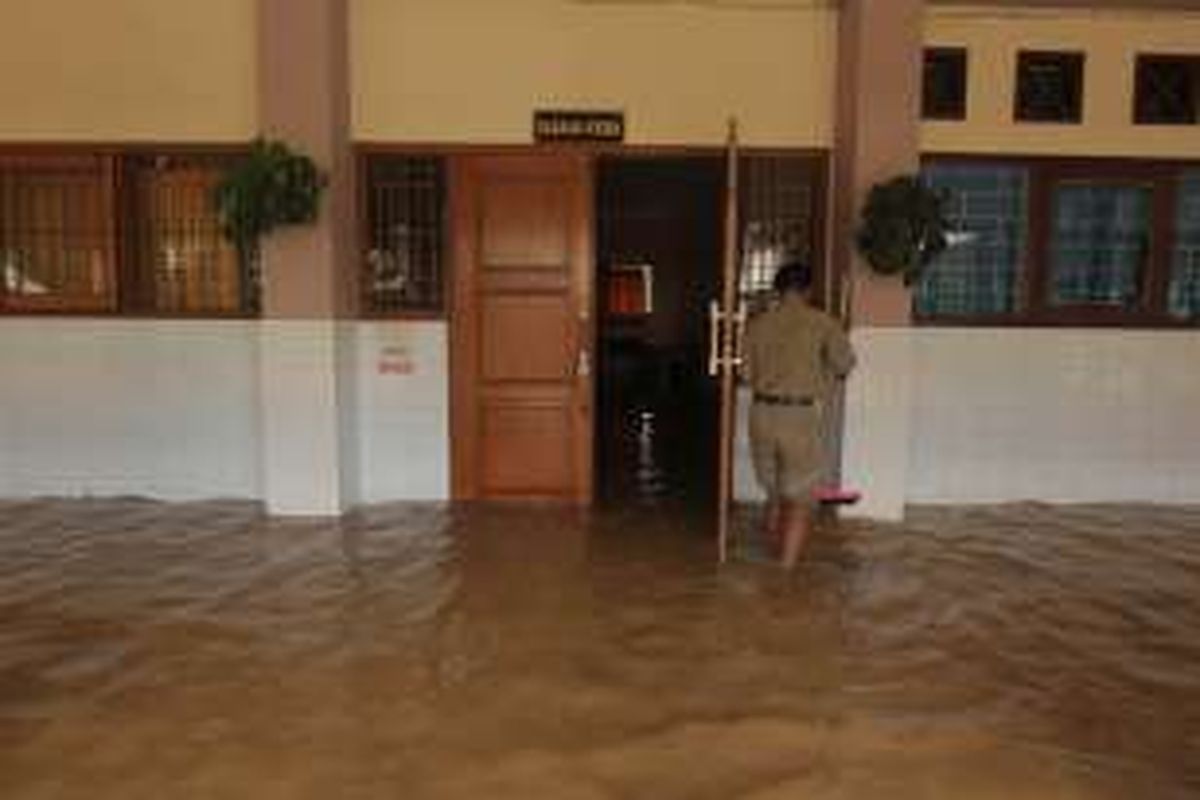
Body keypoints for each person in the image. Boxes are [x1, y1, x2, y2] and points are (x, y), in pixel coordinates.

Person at [741, 262, 855, 570]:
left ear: (778, 290)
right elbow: (845, 365)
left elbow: (746, 375)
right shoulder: (824, 323)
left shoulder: (757, 324)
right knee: (802, 498)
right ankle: (784, 576)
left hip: (761, 414)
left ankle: (770, 544)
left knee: (773, 487)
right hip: (800, 416)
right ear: (808, 290)